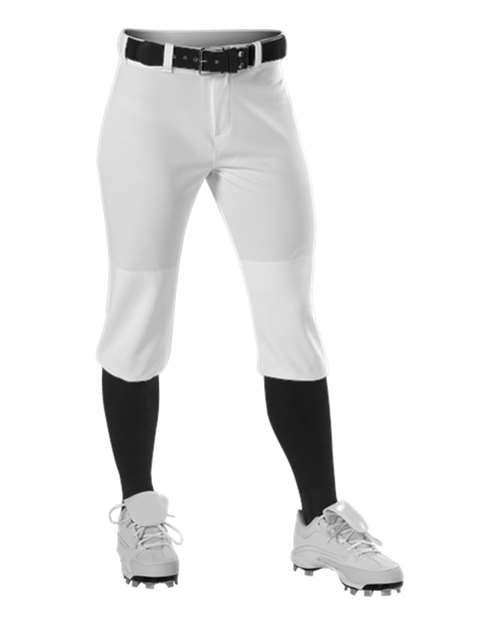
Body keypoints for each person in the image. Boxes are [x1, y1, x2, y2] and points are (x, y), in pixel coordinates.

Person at [98, 29, 403, 596]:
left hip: (260, 96)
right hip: (152, 100)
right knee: (138, 312)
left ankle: (319, 520)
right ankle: (138, 512)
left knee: (289, 313)